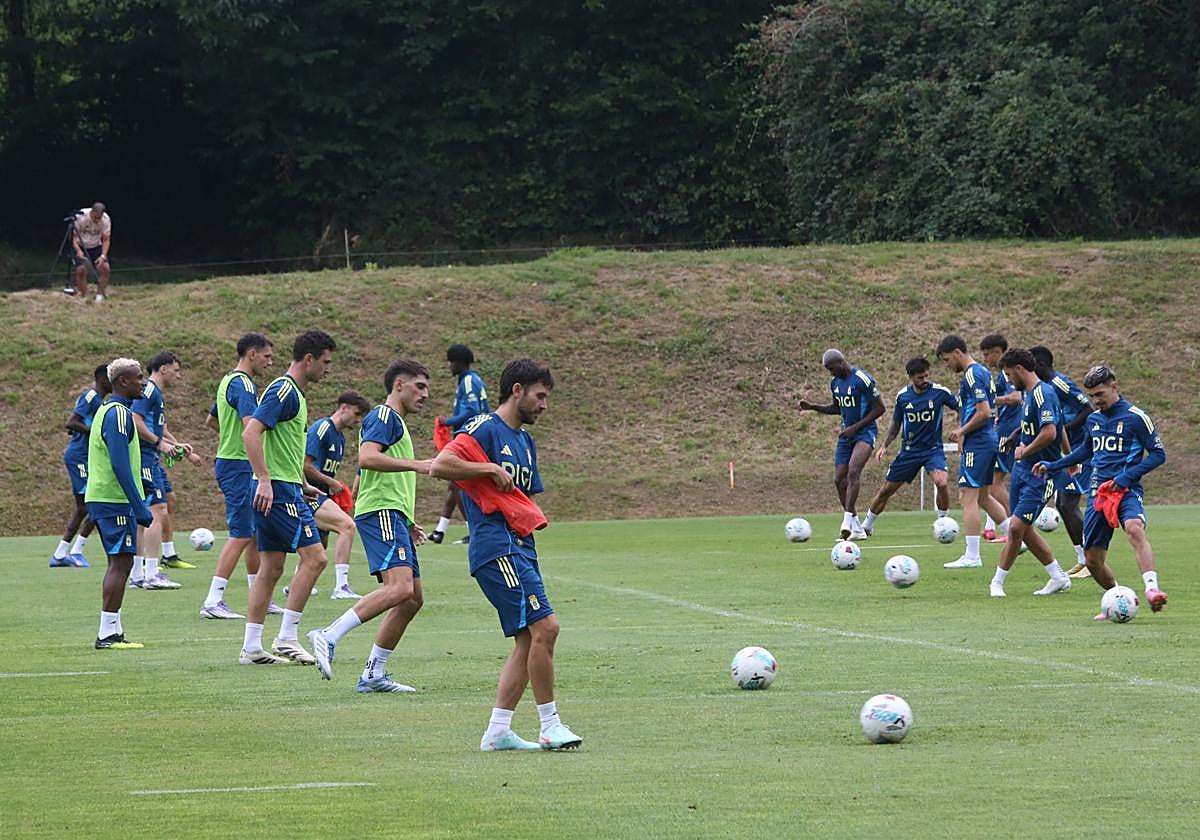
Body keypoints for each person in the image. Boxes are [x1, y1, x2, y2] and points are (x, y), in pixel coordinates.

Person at [431, 358, 583, 752]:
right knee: (546, 628)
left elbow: (524, 497)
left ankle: (498, 731)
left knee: (526, 638)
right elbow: (442, 464)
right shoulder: (485, 427)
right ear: (517, 391)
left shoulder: (526, 442)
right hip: (496, 547)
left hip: (520, 547)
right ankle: (550, 725)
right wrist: (486, 469)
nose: (544, 405)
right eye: (540, 396)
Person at [308, 361, 434, 692]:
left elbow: (385, 477)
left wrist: (407, 520)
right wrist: (419, 465)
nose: (426, 394)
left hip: (393, 514)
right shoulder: (384, 416)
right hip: (381, 513)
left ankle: (373, 673)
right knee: (400, 589)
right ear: (399, 386)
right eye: (419, 386)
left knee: (412, 599)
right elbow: (367, 458)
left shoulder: (398, 424)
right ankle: (328, 634)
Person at [1034, 365, 1168, 616]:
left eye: (1100, 394)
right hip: (1099, 494)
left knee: (1134, 528)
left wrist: (1127, 477)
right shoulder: (1094, 419)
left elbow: (1159, 454)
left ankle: (1153, 590)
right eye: (1092, 396)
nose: (1096, 400)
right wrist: (1055, 464)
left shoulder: (1136, 417)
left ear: (1114, 386)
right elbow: (1086, 451)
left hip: (1127, 490)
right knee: (1093, 561)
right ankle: (1120, 599)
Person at [239, 329, 336, 666]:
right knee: (316, 559)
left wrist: (301, 482)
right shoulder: (285, 390)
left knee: (272, 566)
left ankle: (252, 647)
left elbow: (279, 444)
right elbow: (250, 431)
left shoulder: (292, 392)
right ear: (308, 359)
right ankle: (287, 637)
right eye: (325, 362)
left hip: (284, 486)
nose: (328, 369)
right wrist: (265, 479)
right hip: (277, 491)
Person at [200, 333, 277, 619]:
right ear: (252, 354)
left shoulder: (227, 380)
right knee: (241, 533)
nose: (270, 362)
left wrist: (230, 440)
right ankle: (212, 600)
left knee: (254, 534)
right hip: (238, 466)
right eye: (267, 356)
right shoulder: (243, 384)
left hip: (232, 461)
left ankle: (259, 597)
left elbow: (211, 421)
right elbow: (250, 426)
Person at [987, 349, 1072, 598]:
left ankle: (997, 582)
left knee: (1015, 528)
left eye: (1009, 373)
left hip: (1041, 472)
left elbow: (1050, 432)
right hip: (1022, 471)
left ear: (1019, 369)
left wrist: (1028, 451)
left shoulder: (1044, 393)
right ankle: (1058, 577)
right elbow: (1058, 426)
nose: (1009, 379)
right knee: (1023, 529)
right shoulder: (1030, 394)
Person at [87, 358, 155, 649]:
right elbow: (118, 462)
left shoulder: (110, 411)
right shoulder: (118, 414)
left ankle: (113, 629)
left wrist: (143, 483)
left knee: (120, 562)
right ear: (123, 381)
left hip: (107, 497)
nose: (144, 382)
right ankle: (107, 634)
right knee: (121, 562)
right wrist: (138, 504)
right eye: (139, 377)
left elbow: (122, 459)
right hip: (112, 499)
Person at [861, 358, 959, 535]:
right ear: (911, 377)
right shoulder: (903, 397)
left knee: (942, 483)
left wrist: (960, 429)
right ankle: (866, 526)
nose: (925, 380)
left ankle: (943, 523)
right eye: (920, 377)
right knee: (886, 490)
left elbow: (962, 408)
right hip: (909, 452)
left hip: (933, 450)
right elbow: (896, 424)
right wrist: (884, 446)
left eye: (926, 376)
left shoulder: (940, 392)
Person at [130, 352, 202, 590]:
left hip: (150, 457)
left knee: (147, 516)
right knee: (157, 511)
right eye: (176, 370)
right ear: (163, 369)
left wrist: (176, 444)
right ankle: (151, 574)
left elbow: (159, 427)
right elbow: (135, 419)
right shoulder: (149, 390)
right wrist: (159, 444)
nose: (178, 376)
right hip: (145, 458)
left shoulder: (155, 394)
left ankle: (138, 574)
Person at [798, 349, 884, 540]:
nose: (830, 372)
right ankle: (857, 528)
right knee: (839, 479)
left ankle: (847, 521)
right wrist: (813, 407)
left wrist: (856, 427)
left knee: (854, 471)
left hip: (865, 432)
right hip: (847, 434)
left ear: (840, 362)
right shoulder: (835, 383)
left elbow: (880, 408)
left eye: (831, 368)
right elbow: (837, 408)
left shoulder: (862, 379)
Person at [936, 335, 1004, 569]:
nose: (947, 365)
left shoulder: (973, 374)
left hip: (980, 442)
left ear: (957, 352)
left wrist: (962, 430)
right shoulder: (982, 372)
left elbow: (984, 411)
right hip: (984, 440)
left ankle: (972, 555)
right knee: (984, 497)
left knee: (967, 496)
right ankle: (1019, 538)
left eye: (947, 360)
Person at [1029, 345, 1094, 579]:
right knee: (1063, 504)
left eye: (1032, 364)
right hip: (1067, 450)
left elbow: (1087, 409)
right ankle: (1083, 559)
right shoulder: (1041, 389)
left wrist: (1062, 429)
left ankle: (1091, 560)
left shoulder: (1060, 383)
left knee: (1068, 504)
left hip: (1081, 449)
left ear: (1042, 365)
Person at [303, 390, 371, 600]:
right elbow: (305, 465)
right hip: (308, 495)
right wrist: (330, 482)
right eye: (357, 414)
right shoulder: (323, 428)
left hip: (322, 495)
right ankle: (341, 586)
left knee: (318, 546)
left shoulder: (340, 438)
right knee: (347, 526)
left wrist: (332, 488)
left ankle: (297, 582)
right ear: (344, 408)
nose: (358, 420)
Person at [429, 344, 490, 545]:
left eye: (450, 361)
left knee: (457, 483)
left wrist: (449, 421)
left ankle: (474, 530)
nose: (449, 365)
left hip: (471, 439)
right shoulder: (468, 380)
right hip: (470, 437)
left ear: (459, 362)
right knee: (454, 484)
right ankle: (440, 531)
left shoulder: (469, 381)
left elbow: (472, 411)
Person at [51, 364, 112, 567]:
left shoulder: (98, 400)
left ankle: (63, 553)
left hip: (86, 457)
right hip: (79, 458)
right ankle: (73, 551)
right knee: (92, 504)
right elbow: (71, 422)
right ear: (104, 380)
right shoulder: (90, 396)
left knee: (86, 507)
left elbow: (77, 426)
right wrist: (93, 431)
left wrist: (84, 430)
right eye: (112, 378)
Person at [979, 335, 1021, 543]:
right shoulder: (1002, 375)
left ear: (999, 352)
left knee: (994, 483)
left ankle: (1015, 525)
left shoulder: (1007, 374)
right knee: (994, 481)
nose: (986, 359)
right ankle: (994, 527)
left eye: (988, 354)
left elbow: (1016, 397)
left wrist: (989, 400)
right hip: (1004, 428)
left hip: (1008, 432)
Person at [68, 203, 112, 302]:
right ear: (91, 212)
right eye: (95, 217)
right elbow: (73, 237)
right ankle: (83, 296)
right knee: (81, 270)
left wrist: (103, 255)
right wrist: (78, 250)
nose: (97, 220)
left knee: (105, 268)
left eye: (99, 218)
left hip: (96, 245)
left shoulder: (106, 220)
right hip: (81, 245)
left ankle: (99, 296)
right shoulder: (80, 217)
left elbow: (106, 239)